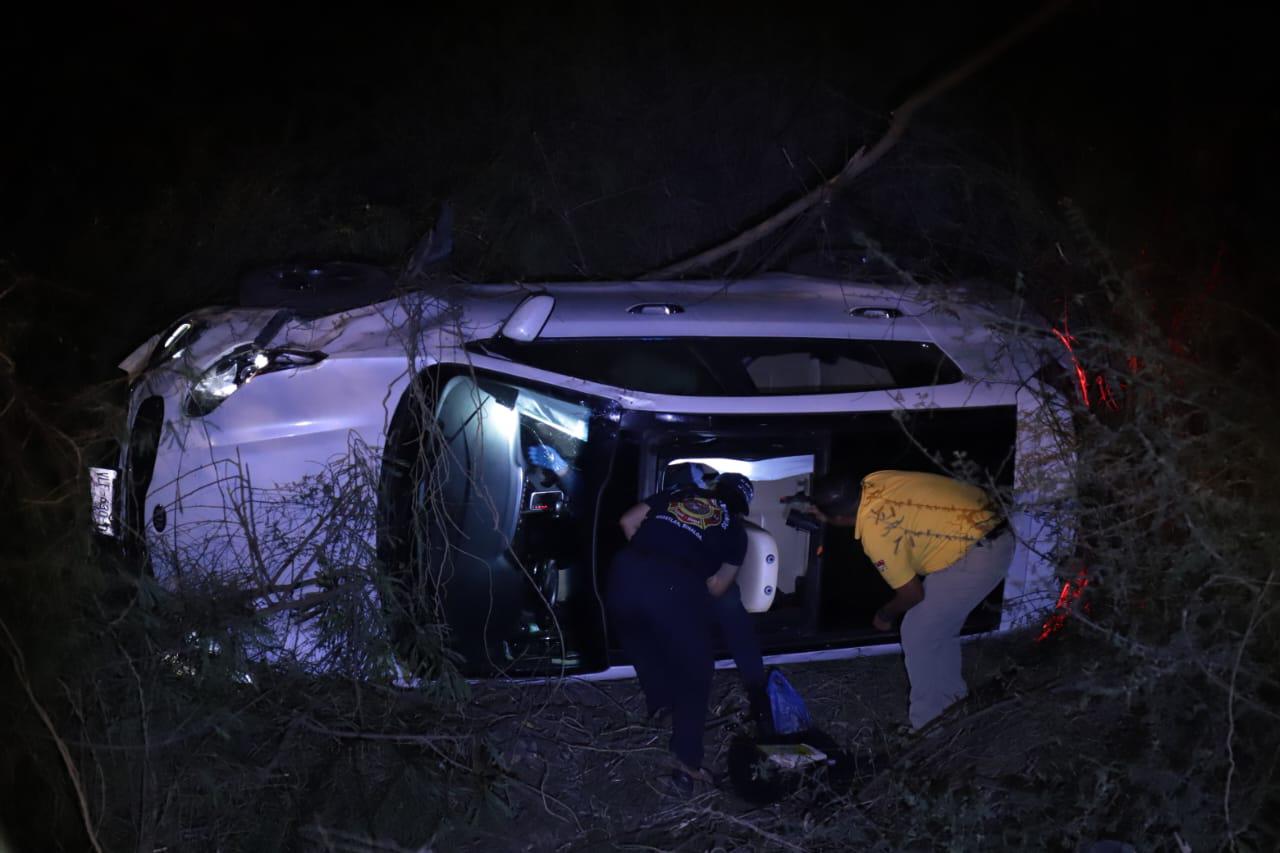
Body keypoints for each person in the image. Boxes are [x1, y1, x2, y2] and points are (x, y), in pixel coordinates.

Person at [806, 469, 1016, 730]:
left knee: (919, 631)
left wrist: (884, 614)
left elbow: (913, 595)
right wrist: (825, 510)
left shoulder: (876, 533)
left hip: (979, 554)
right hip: (987, 528)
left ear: (838, 518)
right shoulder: (874, 480)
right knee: (936, 629)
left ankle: (928, 729)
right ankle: (952, 706)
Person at [608, 472, 755, 791]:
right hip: (674, 583)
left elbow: (627, 521)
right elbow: (717, 588)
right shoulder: (737, 532)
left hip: (625, 571)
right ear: (743, 507)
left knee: (643, 644)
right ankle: (685, 766)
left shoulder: (682, 494)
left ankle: (661, 707)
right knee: (696, 672)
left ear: (716, 489)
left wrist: (652, 556)